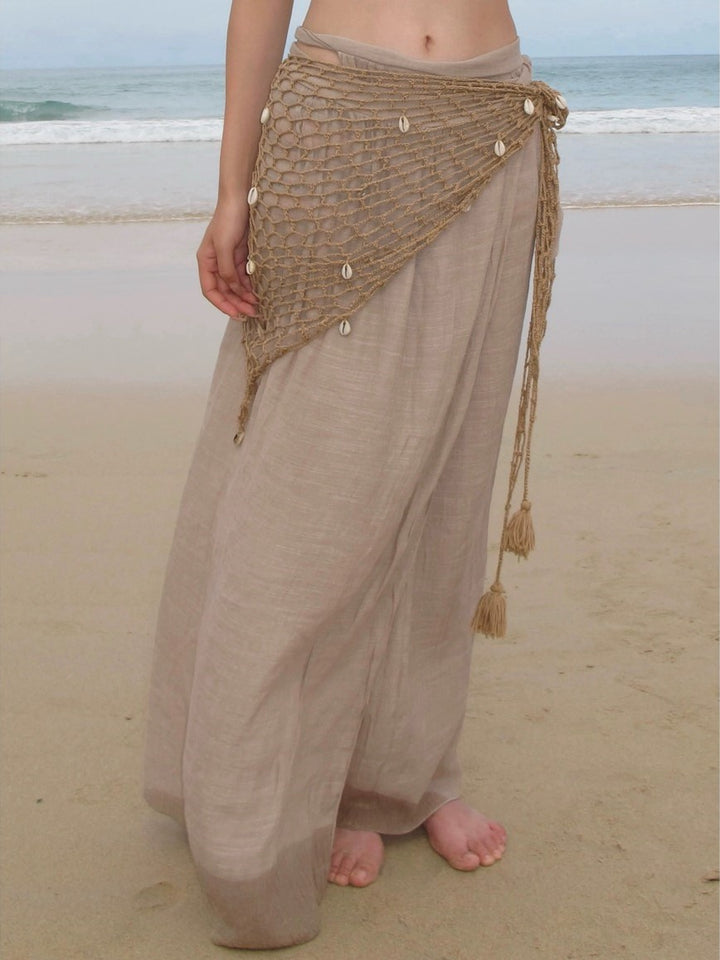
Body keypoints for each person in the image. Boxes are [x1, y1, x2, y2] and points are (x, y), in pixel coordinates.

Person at [143, 0, 566, 949]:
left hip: (491, 123)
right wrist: (231, 189)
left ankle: (402, 780)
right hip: (337, 124)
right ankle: (266, 803)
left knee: (446, 482)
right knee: (307, 503)